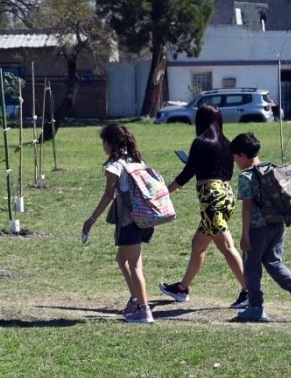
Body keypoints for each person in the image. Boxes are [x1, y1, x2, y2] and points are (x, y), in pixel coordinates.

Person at [159, 103, 248, 308]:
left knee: (227, 247)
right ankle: (182, 288)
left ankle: (250, 291)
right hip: (226, 196)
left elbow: (187, 173)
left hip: (211, 200)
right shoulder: (227, 143)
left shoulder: (201, 142)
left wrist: (164, 192)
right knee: (198, 245)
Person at [229, 133, 291, 321]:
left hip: (257, 228)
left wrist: (245, 234)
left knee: (251, 266)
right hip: (277, 224)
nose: (234, 161)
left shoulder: (246, 176)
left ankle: (255, 307)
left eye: (235, 157)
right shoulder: (270, 169)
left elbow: (247, 207)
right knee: (273, 262)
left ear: (243, 155)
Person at [82, 123, 156, 323]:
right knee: (122, 260)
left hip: (128, 221)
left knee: (135, 266)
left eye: (103, 142)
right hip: (144, 219)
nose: (103, 146)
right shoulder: (137, 160)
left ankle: (144, 310)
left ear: (110, 143)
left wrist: (91, 219)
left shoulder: (115, 166)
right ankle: (135, 299)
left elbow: (108, 195)